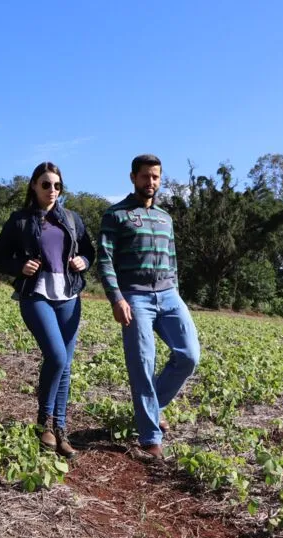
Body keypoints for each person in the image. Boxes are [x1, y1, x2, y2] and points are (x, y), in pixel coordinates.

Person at [97, 154, 200, 459]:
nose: (151, 182)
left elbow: (173, 259)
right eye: (145, 177)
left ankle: (154, 407)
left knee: (189, 356)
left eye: (155, 177)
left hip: (169, 295)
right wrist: (117, 298)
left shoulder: (166, 218)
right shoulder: (116, 215)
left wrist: (176, 294)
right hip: (135, 297)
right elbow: (104, 260)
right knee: (143, 365)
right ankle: (150, 437)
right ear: (133, 178)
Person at [0, 162, 95, 458]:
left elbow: (89, 251)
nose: (52, 191)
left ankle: (60, 430)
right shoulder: (20, 220)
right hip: (36, 294)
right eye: (46, 184)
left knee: (65, 366)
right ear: (34, 185)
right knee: (57, 356)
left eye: (57, 186)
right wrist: (19, 266)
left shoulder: (72, 219)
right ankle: (43, 423)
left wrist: (83, 262)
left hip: (69, 295)